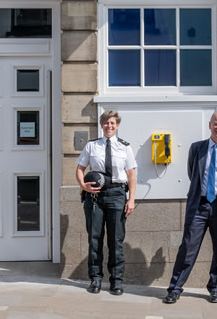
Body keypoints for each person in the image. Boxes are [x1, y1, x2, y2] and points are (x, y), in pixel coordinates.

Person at [163, 111, 217, 304]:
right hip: (199, 205)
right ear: (210, 125)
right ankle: (175, 288)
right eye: (216, 124)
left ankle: (215, 288)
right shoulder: (197, 148)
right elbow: (193, 173)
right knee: (188, 248)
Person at [76, 110, 137, 296]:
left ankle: (116, 281)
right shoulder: (91, 146)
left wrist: (131, 199)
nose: (109, 126)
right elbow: (80, 168)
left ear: (117, 125)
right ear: (102, 125)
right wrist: (83, 186)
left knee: (116, 240)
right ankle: (95, 279)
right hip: (95, 197)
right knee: (94, 239)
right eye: (106, 123)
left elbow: (131, 174)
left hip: (117, 195)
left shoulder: (125, 147)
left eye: (112, 123)